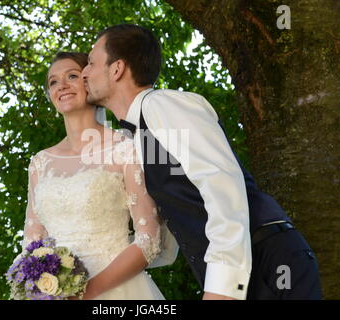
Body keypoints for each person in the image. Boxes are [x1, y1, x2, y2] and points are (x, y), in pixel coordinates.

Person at [81, 24, 322, 300]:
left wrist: (222, 288)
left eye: (90, 62)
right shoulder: (137, 135)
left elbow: (220, 183)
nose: (85, 72)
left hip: (267, 264)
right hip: (240, 270)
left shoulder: (163, 105)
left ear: (116, 69)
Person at [20, 51, 172, 300]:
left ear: (89, 81)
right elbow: (32, 242)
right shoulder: (40, 163)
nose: (62, 86)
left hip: (116, 290)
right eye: (53, 82)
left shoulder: (126, 148)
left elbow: (149, 240)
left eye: (72, 75)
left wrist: (86, 292)